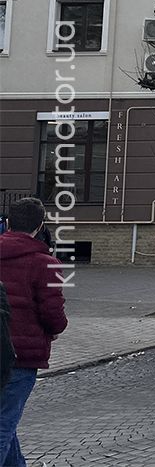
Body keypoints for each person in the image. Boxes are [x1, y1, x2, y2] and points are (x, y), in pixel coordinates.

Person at [0, 198, 68, 466]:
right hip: (21, 356)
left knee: (6, 421)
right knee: (4, 422)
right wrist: (58, 328)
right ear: (40, 226)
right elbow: (53, 315)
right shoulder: (44, 263)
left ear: (7, 223)